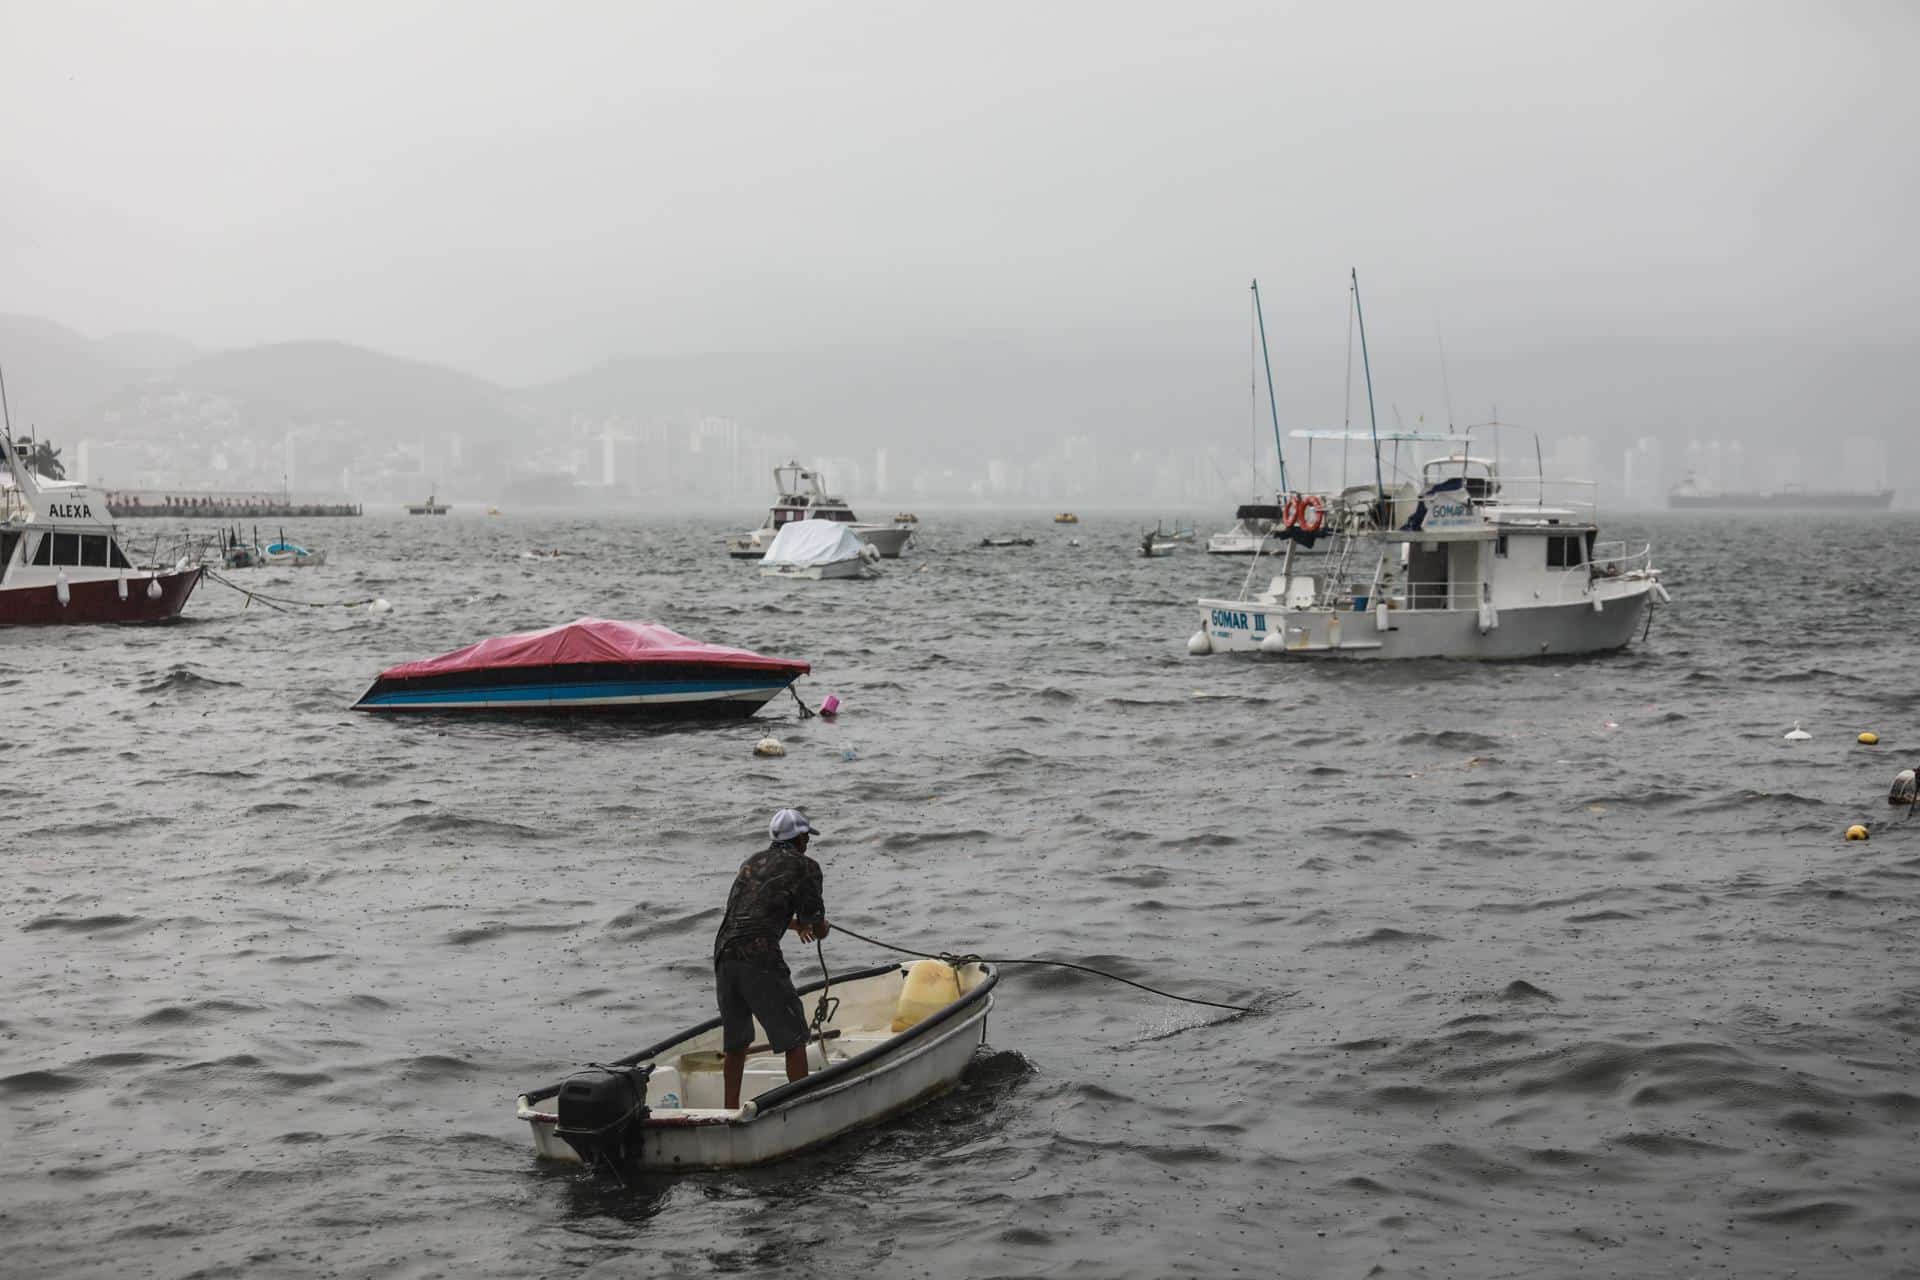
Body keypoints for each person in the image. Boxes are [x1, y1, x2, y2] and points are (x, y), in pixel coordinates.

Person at [713, 807, 830, 1109]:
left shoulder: (750, 862)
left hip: (725, 951)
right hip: (759, 957)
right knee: (795, 1036)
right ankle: (803, 1107)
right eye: (806, 838)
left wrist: (792, 924)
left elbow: (748, 912)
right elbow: (818, 926)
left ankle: (729, 1111)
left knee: (736, 1042)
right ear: (800, 837)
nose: (808, 843)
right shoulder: (806, 867)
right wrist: (817, 925)